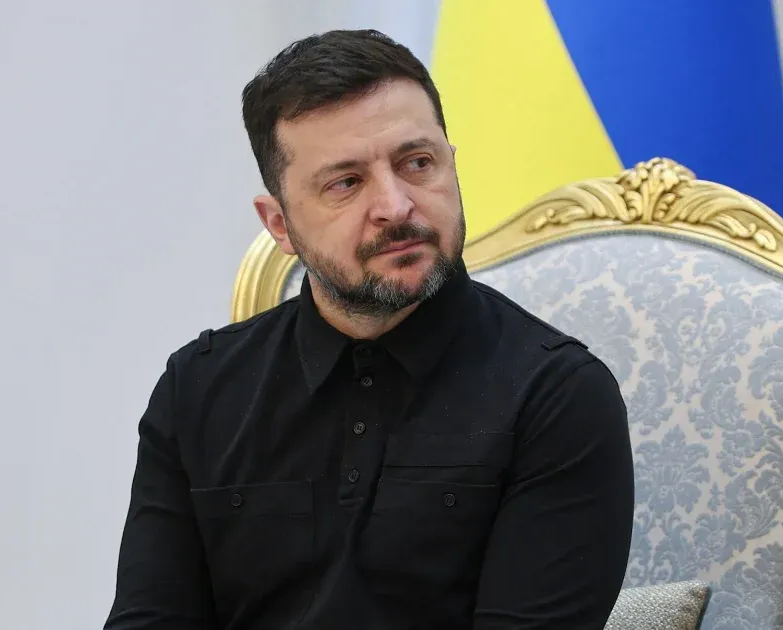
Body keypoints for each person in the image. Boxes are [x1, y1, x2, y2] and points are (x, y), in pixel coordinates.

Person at [104, 29, 634, 630]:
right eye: (346, 182)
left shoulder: (557, 395)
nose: (396, 206)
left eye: (417, 163)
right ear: (279, 224)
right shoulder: (197, 389)